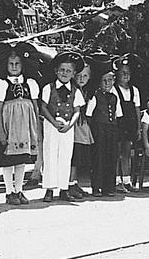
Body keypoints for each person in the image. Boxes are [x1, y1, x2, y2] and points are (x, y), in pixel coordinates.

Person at [0, 43, 40, 206]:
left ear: (22, 65)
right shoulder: (2, 84)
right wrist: (2, 133)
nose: (14, 67)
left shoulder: (31, 84)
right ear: (6, 66)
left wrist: (36, 131)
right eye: (11, 64)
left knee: (21, 161)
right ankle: (8, 192)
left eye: (17, 64)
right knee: (8, 161)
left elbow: (35, 107)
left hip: (25, 128)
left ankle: (19, 190)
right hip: (9, 127)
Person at [40, 51, 86, 203]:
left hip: (67, 127)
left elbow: (77, 111)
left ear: (73, 74)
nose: (65, 73)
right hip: (51, 126)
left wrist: (70, 126)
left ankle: (63, 188)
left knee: (66, 156)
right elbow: (43, 107)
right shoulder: (49, 87)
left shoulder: (76, 91)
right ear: (56, 71)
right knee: (50, 155)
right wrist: (53, 122)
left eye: (68, 71)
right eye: (62, 70)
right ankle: (49, 189)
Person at [86, 61, 123, 197]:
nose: (107, 83)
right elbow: (89, 115)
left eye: (110, 80)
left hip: (112, 129)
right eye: (104, 81)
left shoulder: (114, 97)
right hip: (98, 129)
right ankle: (96, 187)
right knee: (99, 158)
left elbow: (118, 114)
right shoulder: (95, 96)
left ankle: (109, 187)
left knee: (111, 157)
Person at [113, 54, 143, 193]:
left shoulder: (134, 90)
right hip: (118, 124)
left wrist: (138, 128)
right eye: (122, 73)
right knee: (116, 152)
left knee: (126, 152)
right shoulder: (114, 89)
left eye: (128, 73)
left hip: (130, 125)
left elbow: (137, 109)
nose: (125, 76)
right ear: (117, 74)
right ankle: (116, 181)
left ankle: (127, 180)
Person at [68, 58, 94, 200]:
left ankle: (74, 182)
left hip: (82, 126)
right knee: (73, 156)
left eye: (85, 76)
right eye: (79, 76)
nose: (81, 79)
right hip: (73, 126)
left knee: (78, 157)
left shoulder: (86, 91)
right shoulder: (72, 90)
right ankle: (69, 184)